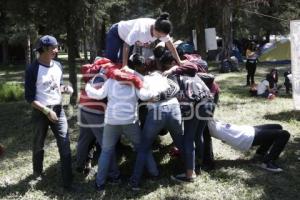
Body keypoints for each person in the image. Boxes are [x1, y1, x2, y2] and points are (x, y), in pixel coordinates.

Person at [85, 64, 162, 194]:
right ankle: (154, 173)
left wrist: (88, 85)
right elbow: (145, 95)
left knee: (106, 151)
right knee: (142, 148)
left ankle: (100, 183)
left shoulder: (110, 81)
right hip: (130, 121)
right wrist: (144, 81)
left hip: (111, 121)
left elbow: (98, 95)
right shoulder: (134, 82)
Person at [24, 35, 76, 191]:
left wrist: (65, 88)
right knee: (38, 143)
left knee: (65, 144)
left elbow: (56, 85)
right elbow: (29, 98)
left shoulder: (58, 65)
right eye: (54, 47)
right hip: (41, 112)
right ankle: (38, 173)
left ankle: (68, 183)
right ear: (44, 49)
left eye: (57, 47)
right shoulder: (32, 69)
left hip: (58, 110)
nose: (57, 50)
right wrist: (47, 111)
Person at [207, 119, 290, 172]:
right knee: (284, 134)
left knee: (278, 126)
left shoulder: (204, 114)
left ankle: (259, 156)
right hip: (245, 138)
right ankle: (267, 162)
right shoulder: (200, 124)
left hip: (246, 130)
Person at [105, 12, 183, 67]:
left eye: (162, 36)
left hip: (129, 39)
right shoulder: (141, 29)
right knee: (111, 61)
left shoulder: (162, 30)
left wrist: (179, 61)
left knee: (122, 62)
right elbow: (126, 44)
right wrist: (124, 66)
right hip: (117, 33)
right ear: (154, 28)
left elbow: (171, 48)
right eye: (158, 35)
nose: (160, 38)